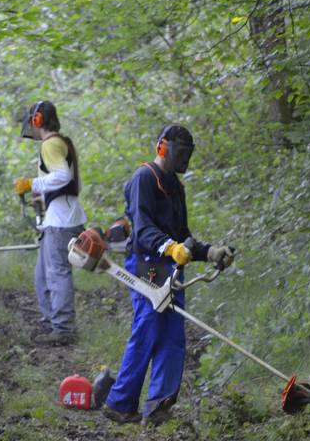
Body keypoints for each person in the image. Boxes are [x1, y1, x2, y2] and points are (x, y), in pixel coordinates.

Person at [103, 124, 235, 425]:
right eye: (180, 151)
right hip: (148, 262)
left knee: (173, 334)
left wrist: (209, 251)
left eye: (189, 153)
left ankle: (159, 405)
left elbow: (182, 235)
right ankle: (120, 402)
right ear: (163, 147)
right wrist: (170, 247)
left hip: (172, 265)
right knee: (148, 328)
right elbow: (143, 227)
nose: (184, 158)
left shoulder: (176, 186)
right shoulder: (144, 178)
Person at [14, 100, 87, 345]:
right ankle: (51, 323)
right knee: (42, 275)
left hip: (62, 221)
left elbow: (62, 176)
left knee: (57, 273)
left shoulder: (51, 144)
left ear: (37, 120)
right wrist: (39, 194)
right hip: (60, 215)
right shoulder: (61, 142)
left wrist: (32, 184)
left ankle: (63, 328)